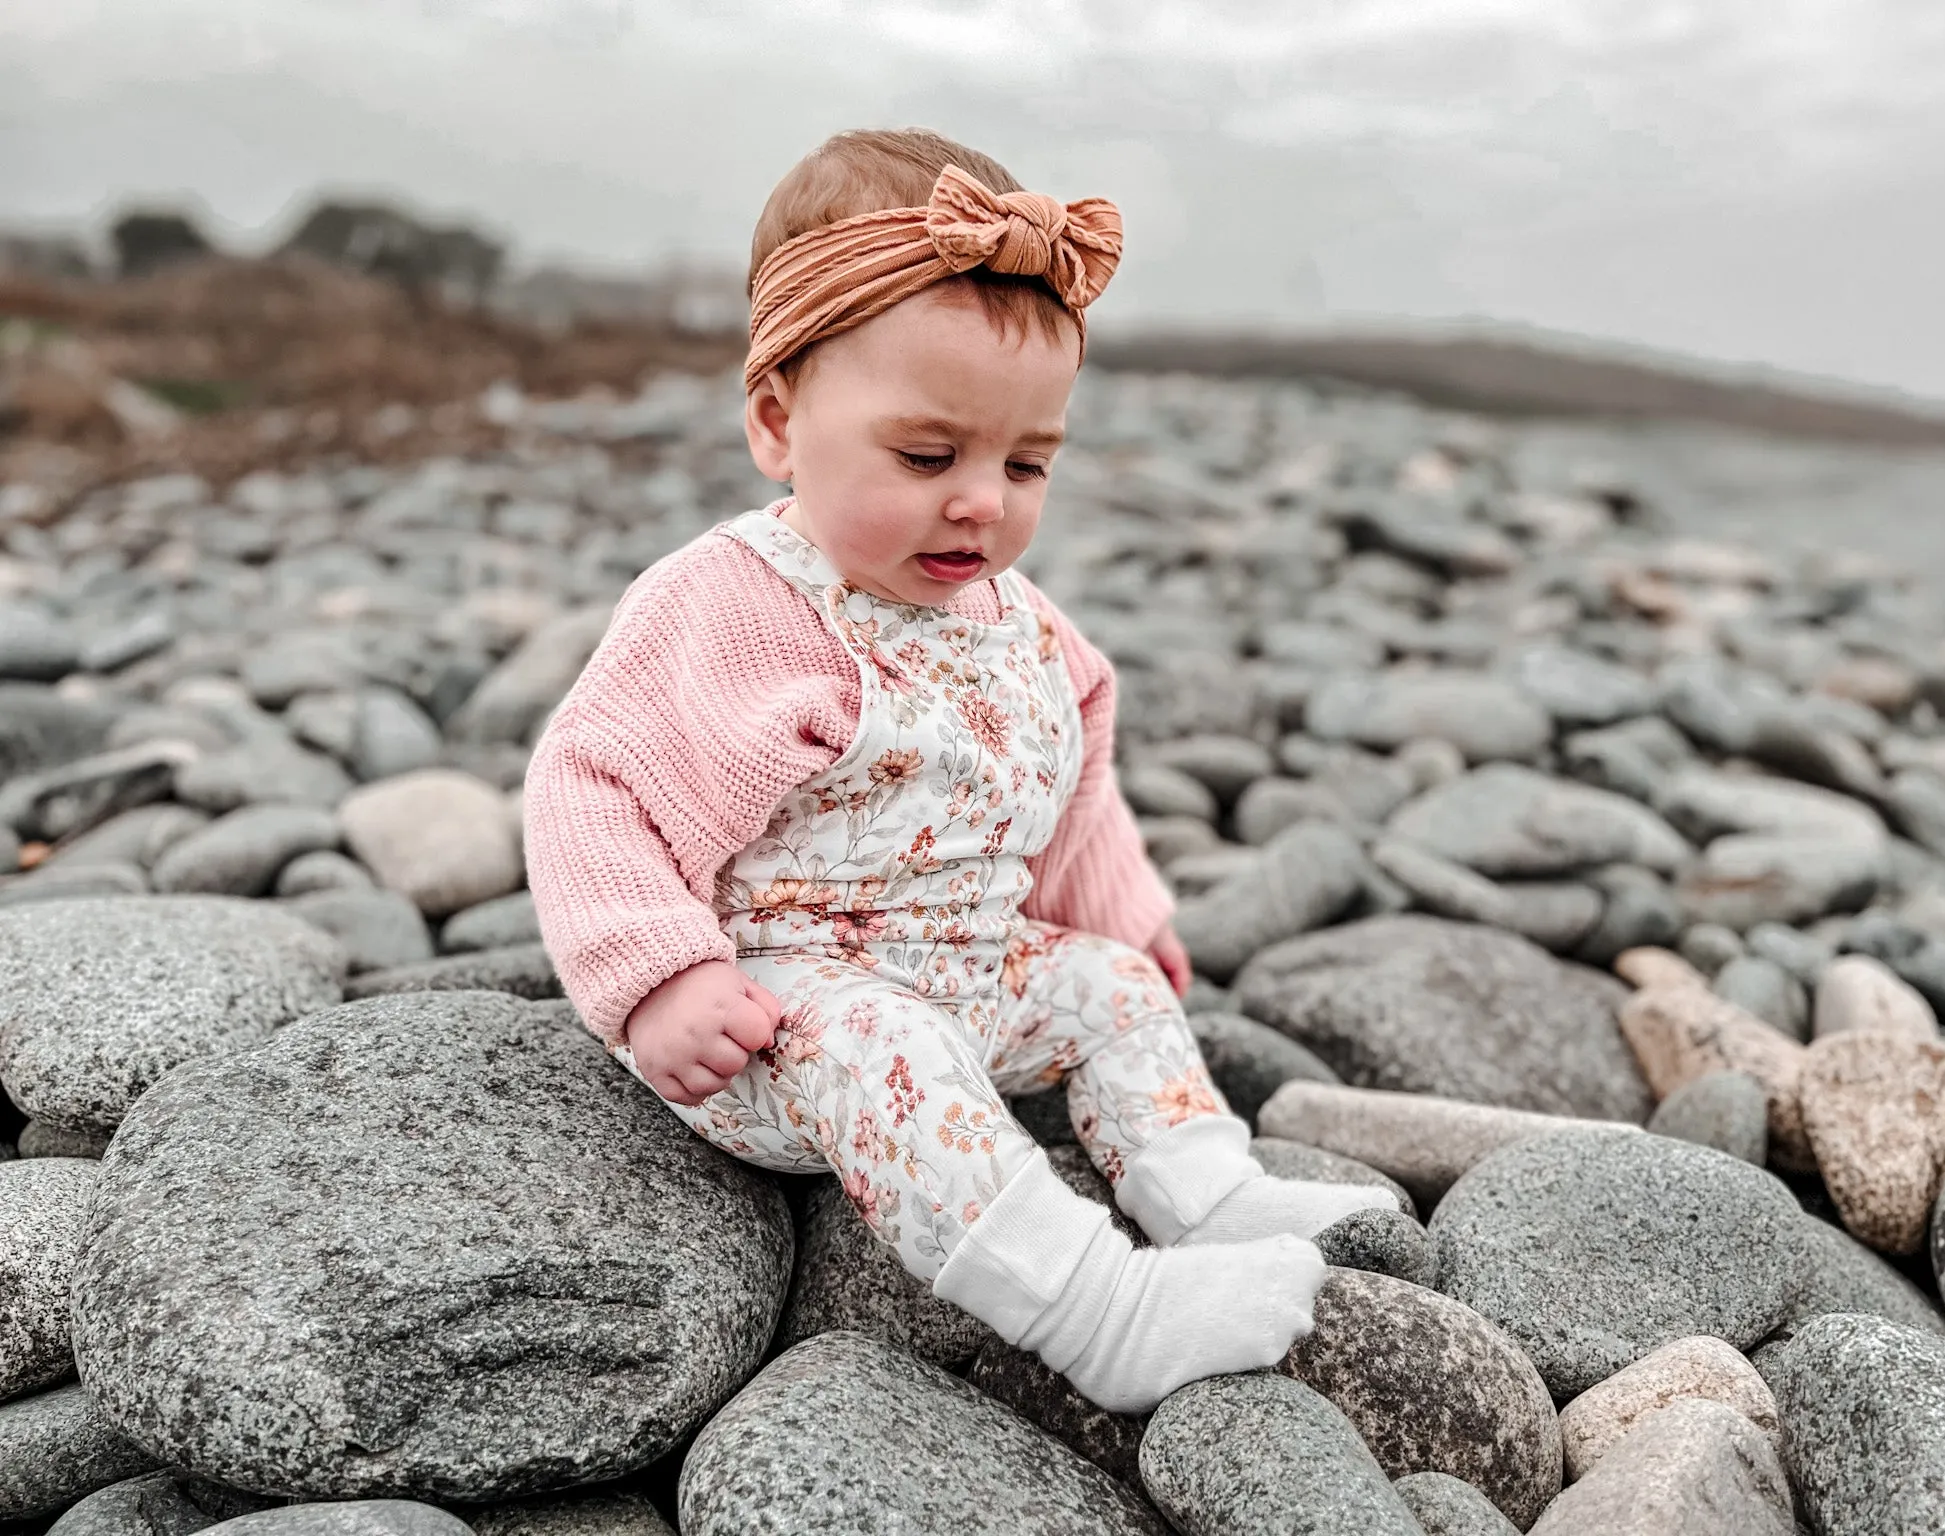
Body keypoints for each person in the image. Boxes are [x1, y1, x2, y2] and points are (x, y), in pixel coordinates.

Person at [524, 127, 1391, 1413]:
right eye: (927, 459)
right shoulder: (740, 604)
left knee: (1105, 991)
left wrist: (1125, 925)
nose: (981, 502)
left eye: (1025, 463)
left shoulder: (1024, 625)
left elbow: (1078, 781)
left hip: (969, 973)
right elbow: (592, 785)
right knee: (885, 1045)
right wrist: (661, 975)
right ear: (777, 421)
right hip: (778, 1021)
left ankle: (1204, 1188)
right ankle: (1101, 1310)